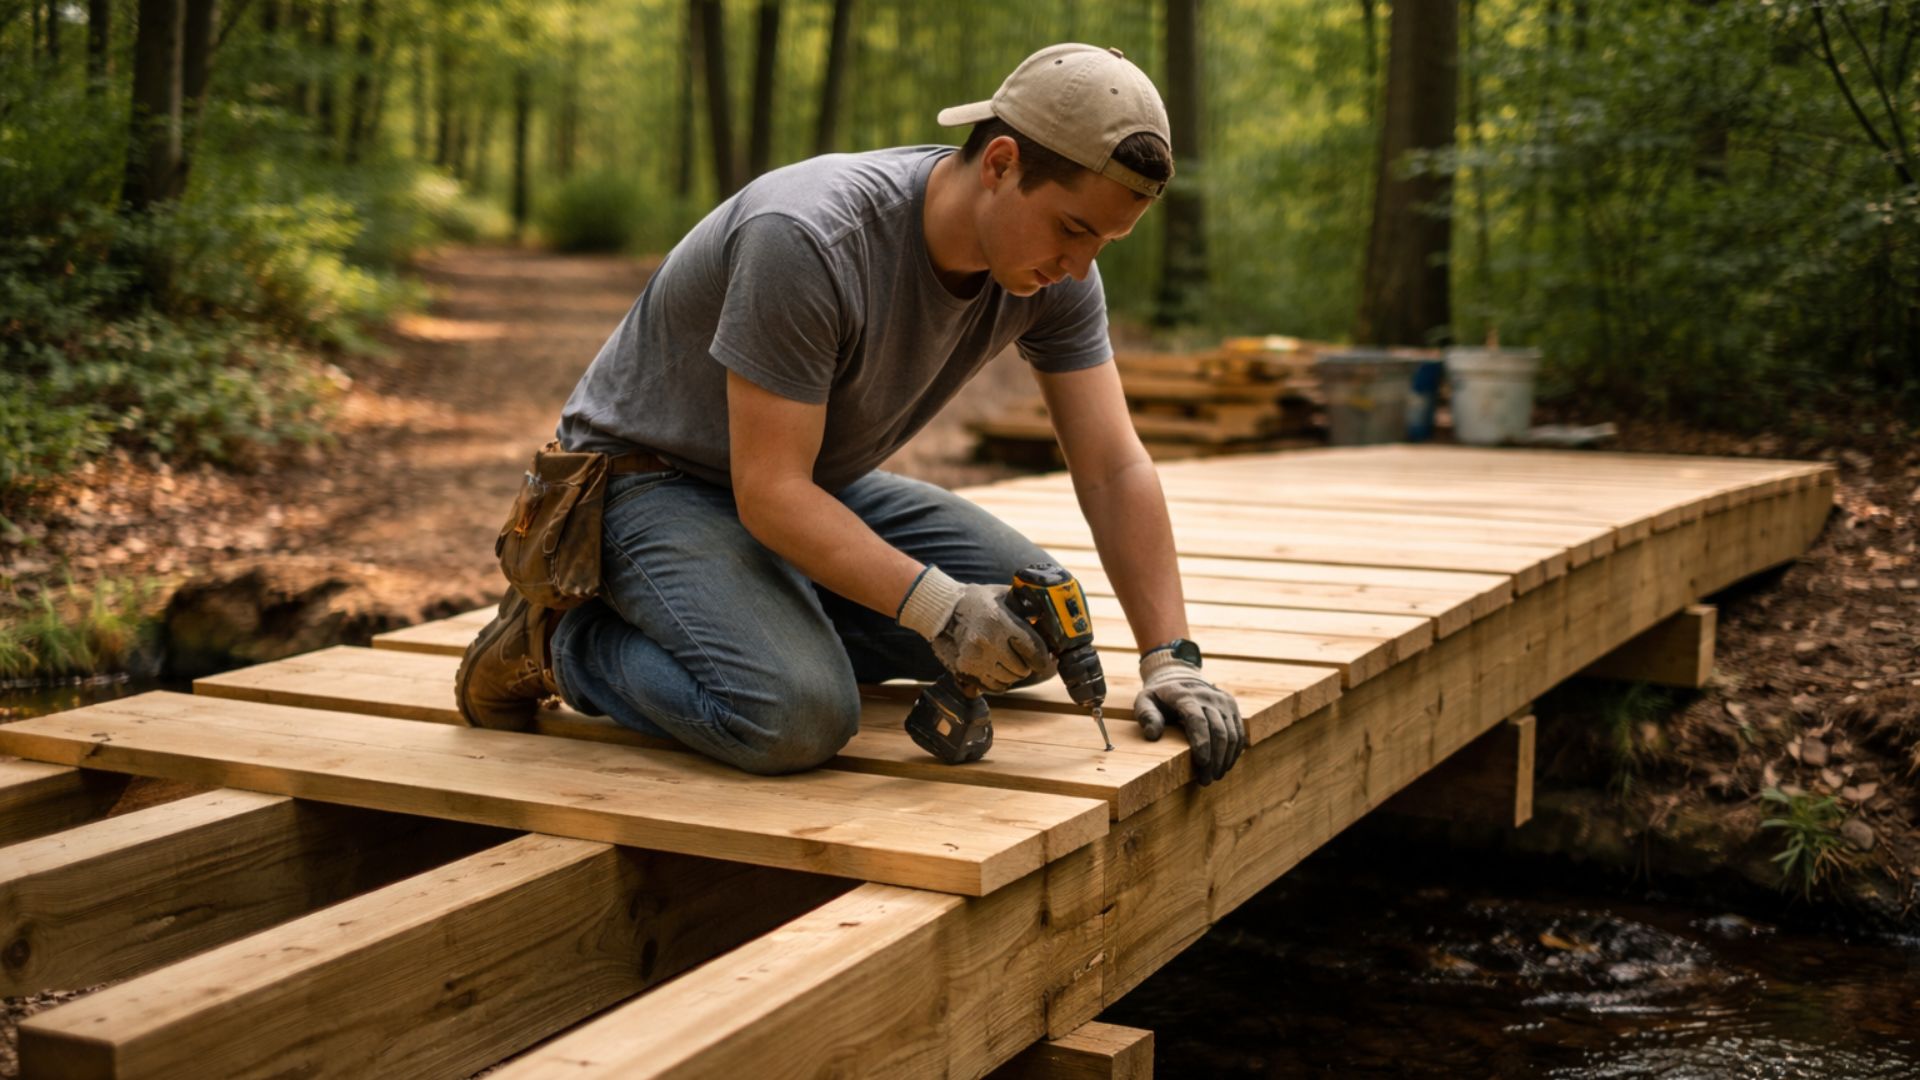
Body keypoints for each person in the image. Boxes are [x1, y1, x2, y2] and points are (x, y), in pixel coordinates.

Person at [456, 43, 1246, 785]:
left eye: (1106, 243)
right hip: (641, 485)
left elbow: (1113, 465)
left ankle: (757, 618)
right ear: (1002, 163)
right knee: (796, 714)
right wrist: (935, 605)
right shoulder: (809, 237)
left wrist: (1169, 658)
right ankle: (564, 643)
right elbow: (769, 491)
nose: (1080, 265)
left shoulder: (1058, 275)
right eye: (1074, 229)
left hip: (801, 486)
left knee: (1031, 633)